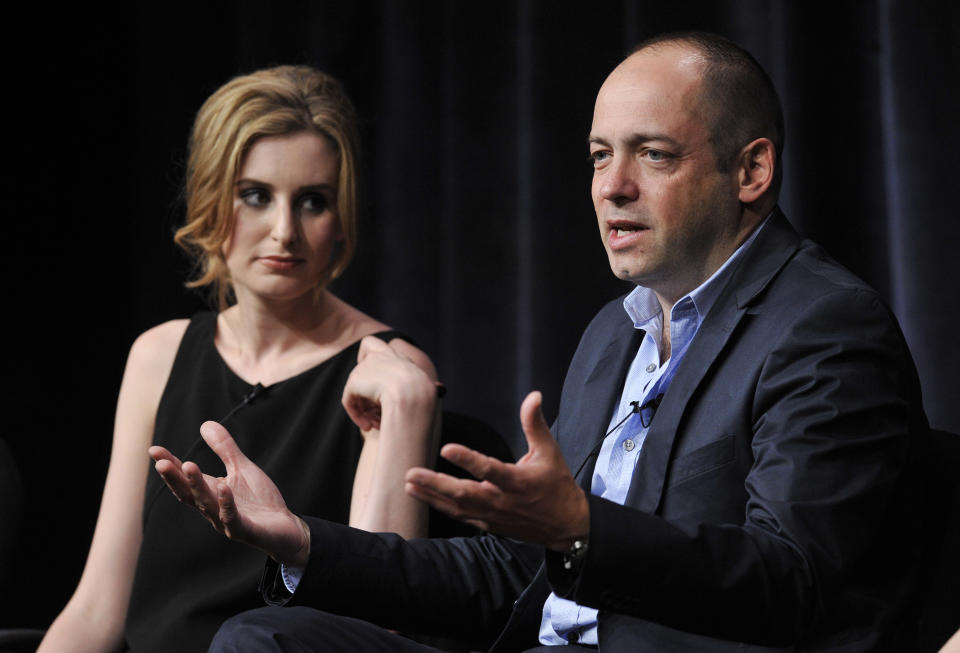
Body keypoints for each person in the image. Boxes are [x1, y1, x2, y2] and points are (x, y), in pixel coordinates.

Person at [157, 32, 927, 652]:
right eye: (599, 155)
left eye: (652, 154)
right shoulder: (613, 333)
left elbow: (792, 584)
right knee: (267, 636)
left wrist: (582, 529)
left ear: (751, 169)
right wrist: (301, 543)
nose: (610, 186)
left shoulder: (824, 328)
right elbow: (511, 574)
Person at [38, 65, 438, 653]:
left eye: (312, 202)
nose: (284, 231)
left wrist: (403, 412)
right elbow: (98, 608)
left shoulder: (392, 373)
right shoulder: (158, 355)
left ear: (340, 218)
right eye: (256, 196)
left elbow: (375, 630)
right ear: (209, 198)